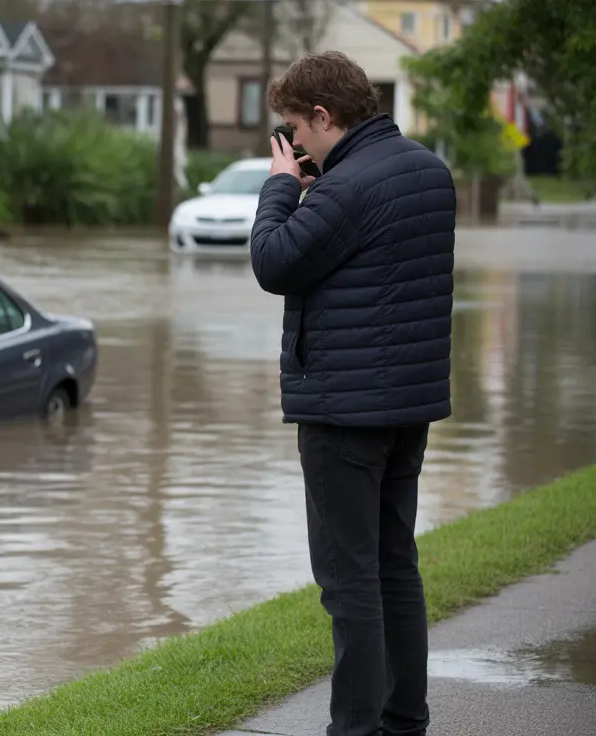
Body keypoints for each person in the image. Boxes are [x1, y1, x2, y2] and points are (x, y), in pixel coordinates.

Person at [248, 51, 457, 736]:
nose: (294, 147)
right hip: (407, 406)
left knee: (349, 583)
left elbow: (275, 261)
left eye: (295, 133)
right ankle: (404, 720)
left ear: (323, 115)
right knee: (396, 567)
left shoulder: (344, 189)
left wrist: (282, 185)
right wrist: (317, 180)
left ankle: (356, 728)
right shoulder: (428, 172)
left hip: (344, 413)